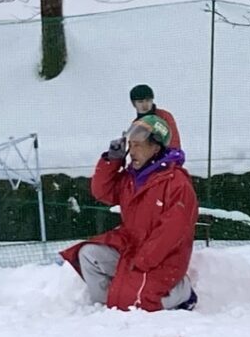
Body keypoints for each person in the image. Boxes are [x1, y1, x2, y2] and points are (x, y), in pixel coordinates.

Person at [59, 114, 198, 311]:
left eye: (138, 145)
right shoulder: (130, 177)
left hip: (163, 258)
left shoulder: (176, 183)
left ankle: (182, 292)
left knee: (142, 304)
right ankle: (110, 304)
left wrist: (143, 260)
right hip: (130, 248)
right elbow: (102, 192)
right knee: (88, 254)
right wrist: (111, 161)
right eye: (130, 145)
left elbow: (172, 232)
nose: (132, 151)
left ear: (156, 148)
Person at [128, 84, 181, 149]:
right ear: (133, 104)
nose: (145, 105)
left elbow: (174, 142)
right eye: (140, 102)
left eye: (148, 100)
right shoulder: (135, 125)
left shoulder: (164, 116)